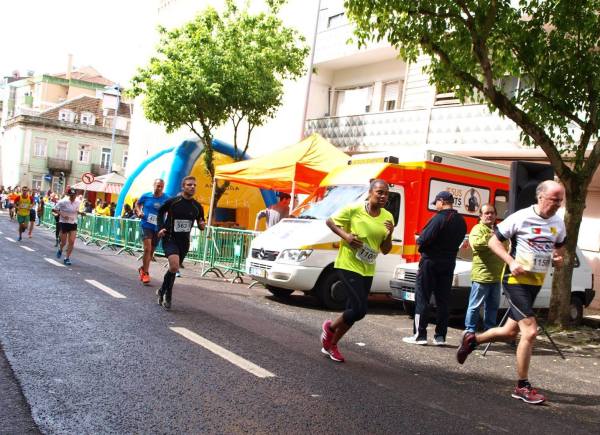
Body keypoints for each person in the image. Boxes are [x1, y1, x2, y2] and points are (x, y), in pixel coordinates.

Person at [457, 180, 566, 405]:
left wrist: (558, 259)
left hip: (535, 282)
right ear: (541, 197)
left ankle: (472, 340)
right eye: (554, 200)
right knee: (531, 332)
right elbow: (493, 242)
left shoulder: (558, 222)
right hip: (514, 280)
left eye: (560, 201)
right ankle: (522, 386)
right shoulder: (521, 217)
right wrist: (511, 261)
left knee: (509, 333)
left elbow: (559, 249)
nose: (557, 205)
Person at [320, 179, 394, 362]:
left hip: (367, 268)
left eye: (386, 193)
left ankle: (331, 345)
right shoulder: (354, 209)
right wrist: (346, 236)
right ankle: (329, 328)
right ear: (370, 193)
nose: (383, 196)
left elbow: (385, 250)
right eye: (379, 192)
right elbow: (330, 222)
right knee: (359, 310)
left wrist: (390, 233)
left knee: (352, 311)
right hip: (348, 264)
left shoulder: (388, 217)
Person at [403, 191, 467, 346]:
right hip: (449, 263)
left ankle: (420, 335)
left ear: (442, 201)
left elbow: (424, 239)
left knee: (422, 297)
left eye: (436, 203)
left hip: (430, 262)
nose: (435, 206)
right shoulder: (461, 221)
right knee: (443, 300)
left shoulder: (438, 218)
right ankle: (440, 337)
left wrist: (419, 240)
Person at [156, 176, 205, 309]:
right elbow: (160, 212)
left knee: (174, 269)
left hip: (184, 242)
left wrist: (202, 225)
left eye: (194, 185)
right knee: (174, 266)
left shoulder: (197, 206)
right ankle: (168, 295)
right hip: (170, 238)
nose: (192, 187)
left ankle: (162, 290)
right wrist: (160, 227)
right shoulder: (173, 202)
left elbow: (201, 223)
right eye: (189, 185)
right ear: (183, 187)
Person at [464, 204, 506, 333]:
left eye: (492, 213)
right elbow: (476, 244)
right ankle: (469, 332)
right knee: (475, 306)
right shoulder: (478, 229)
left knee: (492, 307)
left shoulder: (498, 230)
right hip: (482, 277)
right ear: (481, 216)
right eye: (486, 213)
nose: (490, 215)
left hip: (496, 277)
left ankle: (489, 333)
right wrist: (490, 236)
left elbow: (505, 247)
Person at [135, 179, 170, 285]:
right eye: (157, 185)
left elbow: (171, 210)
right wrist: (139, 211)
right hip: (146, 225)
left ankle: (143, 269)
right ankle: (146, 273)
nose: (159, 188)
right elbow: (137, 204)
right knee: (147, 249)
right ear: (153, 185)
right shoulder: (146, 196)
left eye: (161, 186)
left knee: (151, 252)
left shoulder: (167, 198)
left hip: (158, 228)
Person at [55, 187, 82, 266]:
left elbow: (77, 210)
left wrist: (81, 213)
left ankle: (67, 258)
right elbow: (54, 209)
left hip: (73, 222)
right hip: (64, 223)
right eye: (71, 195)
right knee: (63, 242)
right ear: (68, 195)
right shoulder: (63, 201)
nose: (73, 197)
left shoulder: (78, 201)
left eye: (74, 195)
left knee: (72, 241)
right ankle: (60, 249)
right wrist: (62, 214)